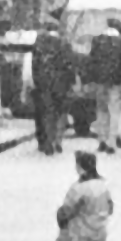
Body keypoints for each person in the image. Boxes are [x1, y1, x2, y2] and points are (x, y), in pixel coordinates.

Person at [30, 18, 75, 155]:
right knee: (61, 113)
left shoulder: (39, 45)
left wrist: (37, 82)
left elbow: (34, 66)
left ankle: (48, 141)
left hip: (44, 85)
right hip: (62, 85)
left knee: (47, 113)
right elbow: (70, 65)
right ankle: (58, 141)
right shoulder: (65, 44)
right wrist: (71, 82)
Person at [88, 19, 121, 154]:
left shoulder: (96, 41)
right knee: (114, 112)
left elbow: (92, 61)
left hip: (100, 82)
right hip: (116, 83)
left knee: (101, 111)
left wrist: (92, 79)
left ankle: (101, 140)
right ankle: (112, 142)